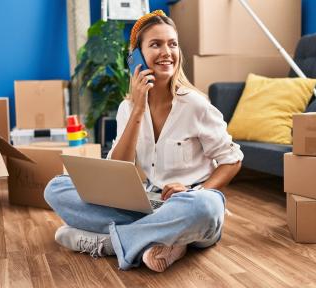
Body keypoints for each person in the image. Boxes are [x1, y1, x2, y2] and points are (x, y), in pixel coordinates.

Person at [44, 10, 243, 272]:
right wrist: (137, 109)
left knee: (207, 207)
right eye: (156, 44)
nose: (167, 52)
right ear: (135, 58)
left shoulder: (195, 104)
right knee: (56, 187)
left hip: (189, 205)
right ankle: (163, 241)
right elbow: (117, 167)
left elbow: (233, 159)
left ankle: (110, 243)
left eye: (173, 44)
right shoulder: (127, 109)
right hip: (151, 203)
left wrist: (198, 191)